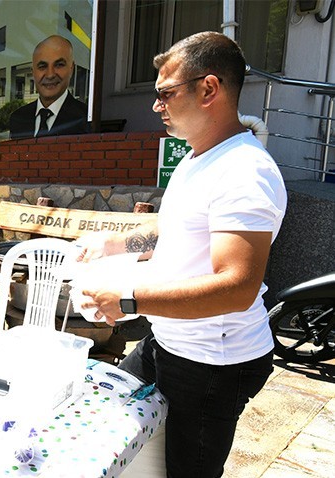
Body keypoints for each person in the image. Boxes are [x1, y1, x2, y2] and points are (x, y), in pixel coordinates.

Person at [75, 32, 287, 478]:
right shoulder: (197, 158)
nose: (156, 106)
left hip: (212, 364)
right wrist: (112, 244)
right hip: (168, 341)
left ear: (209, 89)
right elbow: (173, 226)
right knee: (109, 427)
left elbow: (236, 286)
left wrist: (129, 299)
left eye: (166, 93)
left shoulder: (244, 171)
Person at [9, 35, 89, 139]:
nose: (50, 75)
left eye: (59, 65)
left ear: (71, 68)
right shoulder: (18, 118)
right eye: (42, 66)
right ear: (33, 72)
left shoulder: (86, 119)